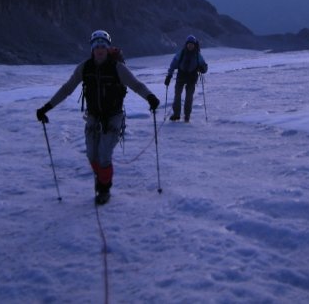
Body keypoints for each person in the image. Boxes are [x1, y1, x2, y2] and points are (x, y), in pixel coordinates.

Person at [36, 30, 160, 205]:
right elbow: (67, 88)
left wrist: (150, 97)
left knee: (103, 156)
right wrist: (46, 107)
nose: (100, 49)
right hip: (93, 117)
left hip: (113, 117)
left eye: (103, 46)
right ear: (92, 49)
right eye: (97, 46)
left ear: (108, 48)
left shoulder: (117, 68)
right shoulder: (84, 68)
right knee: (91, 155)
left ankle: (104, 188)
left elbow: (136, 85)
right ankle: (102, 178)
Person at [164, 35, 208, 122]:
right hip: (181, 77)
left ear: (194, 45)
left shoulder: (197, 55)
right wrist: (169, 76)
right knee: (177, 95)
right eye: (189, 44)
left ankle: (187, 115)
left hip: (191, 78)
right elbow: (173, 64)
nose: (190, 46)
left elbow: (204, 66)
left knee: (189, 97)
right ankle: (176, 114)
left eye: (192, 44)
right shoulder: (181, 53)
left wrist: (203, 69)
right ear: (186, 44)